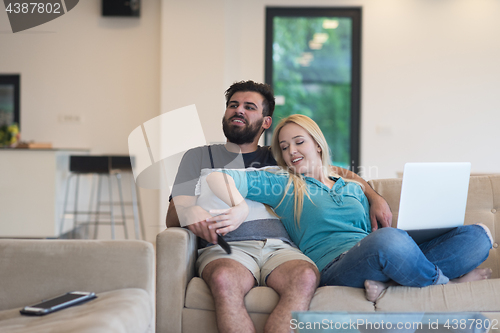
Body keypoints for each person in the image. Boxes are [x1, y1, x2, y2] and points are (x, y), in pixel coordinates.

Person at [166, 81, 393, 333]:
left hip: (282, 248)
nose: (238, 110)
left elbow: (335, 171)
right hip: (230, 246)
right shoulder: (198, 156)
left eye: (249, 107)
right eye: (233, 105)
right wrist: (191, 210)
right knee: (223, 279)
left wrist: (374, 196)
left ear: (266, 122)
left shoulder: (281, 154)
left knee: (306, 276)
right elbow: (176, 211)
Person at [206, 114, 493, 303]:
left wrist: (377, 199)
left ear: (317, 145)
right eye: (283, 146)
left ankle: (391, 284)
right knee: (389, 241)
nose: (291, 151)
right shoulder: (282, 183)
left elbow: (374, 227)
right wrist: (240, 206)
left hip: (376, 251)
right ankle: (446, 282)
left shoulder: (353, 186)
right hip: (337, 265)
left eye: (298, 142)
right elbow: (217, 176)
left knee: (478, 235)